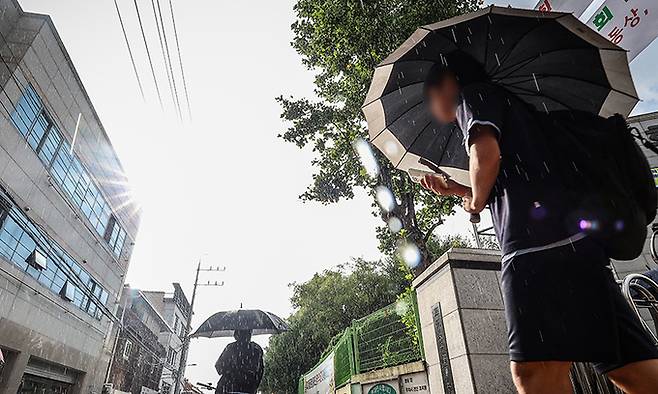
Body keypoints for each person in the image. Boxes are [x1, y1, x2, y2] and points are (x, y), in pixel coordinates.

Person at [420, 63, 658, 394]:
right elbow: (511, 184)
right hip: (572, 245)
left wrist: (473, 203)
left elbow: (485, 157)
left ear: (446, 84)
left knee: (535, 371)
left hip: (537, 252)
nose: (432, 106)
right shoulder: (518, 111)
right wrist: (459, 191)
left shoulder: (472, 96)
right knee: (631, 367)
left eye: (430, 96)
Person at [214, 329, 264, 394]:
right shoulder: (256, 350)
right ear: (250, 335)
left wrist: (230, 370)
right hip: (248, 389)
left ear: (236, 335)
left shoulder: (230, 348)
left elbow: (219, 367)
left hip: (228, 388)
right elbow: (260, 372)